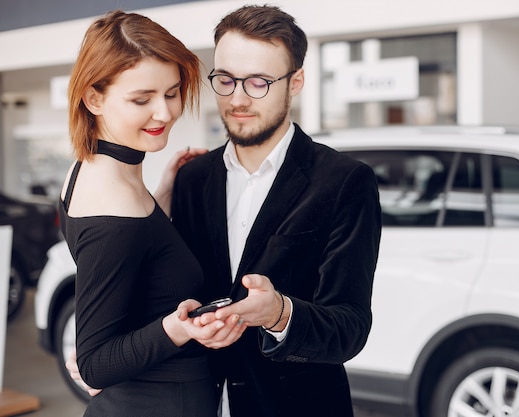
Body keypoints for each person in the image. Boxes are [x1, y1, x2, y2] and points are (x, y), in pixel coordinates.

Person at [171, 5, 382, 417]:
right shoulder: (191, 178)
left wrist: (280, 313)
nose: (238, 98)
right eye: (226, 80)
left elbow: (350, 327)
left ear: (296, 81)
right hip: (197, 402)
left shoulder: (344, 181)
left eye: (259, 83)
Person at [59, 10, 245, 417]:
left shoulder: (91, 167)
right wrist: (180, 328)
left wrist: (161, 195)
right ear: (94, 98)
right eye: (141, 99)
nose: (164, 113)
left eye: (173, 92)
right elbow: (93, 363)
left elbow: (134, 258)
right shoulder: (114, 207)